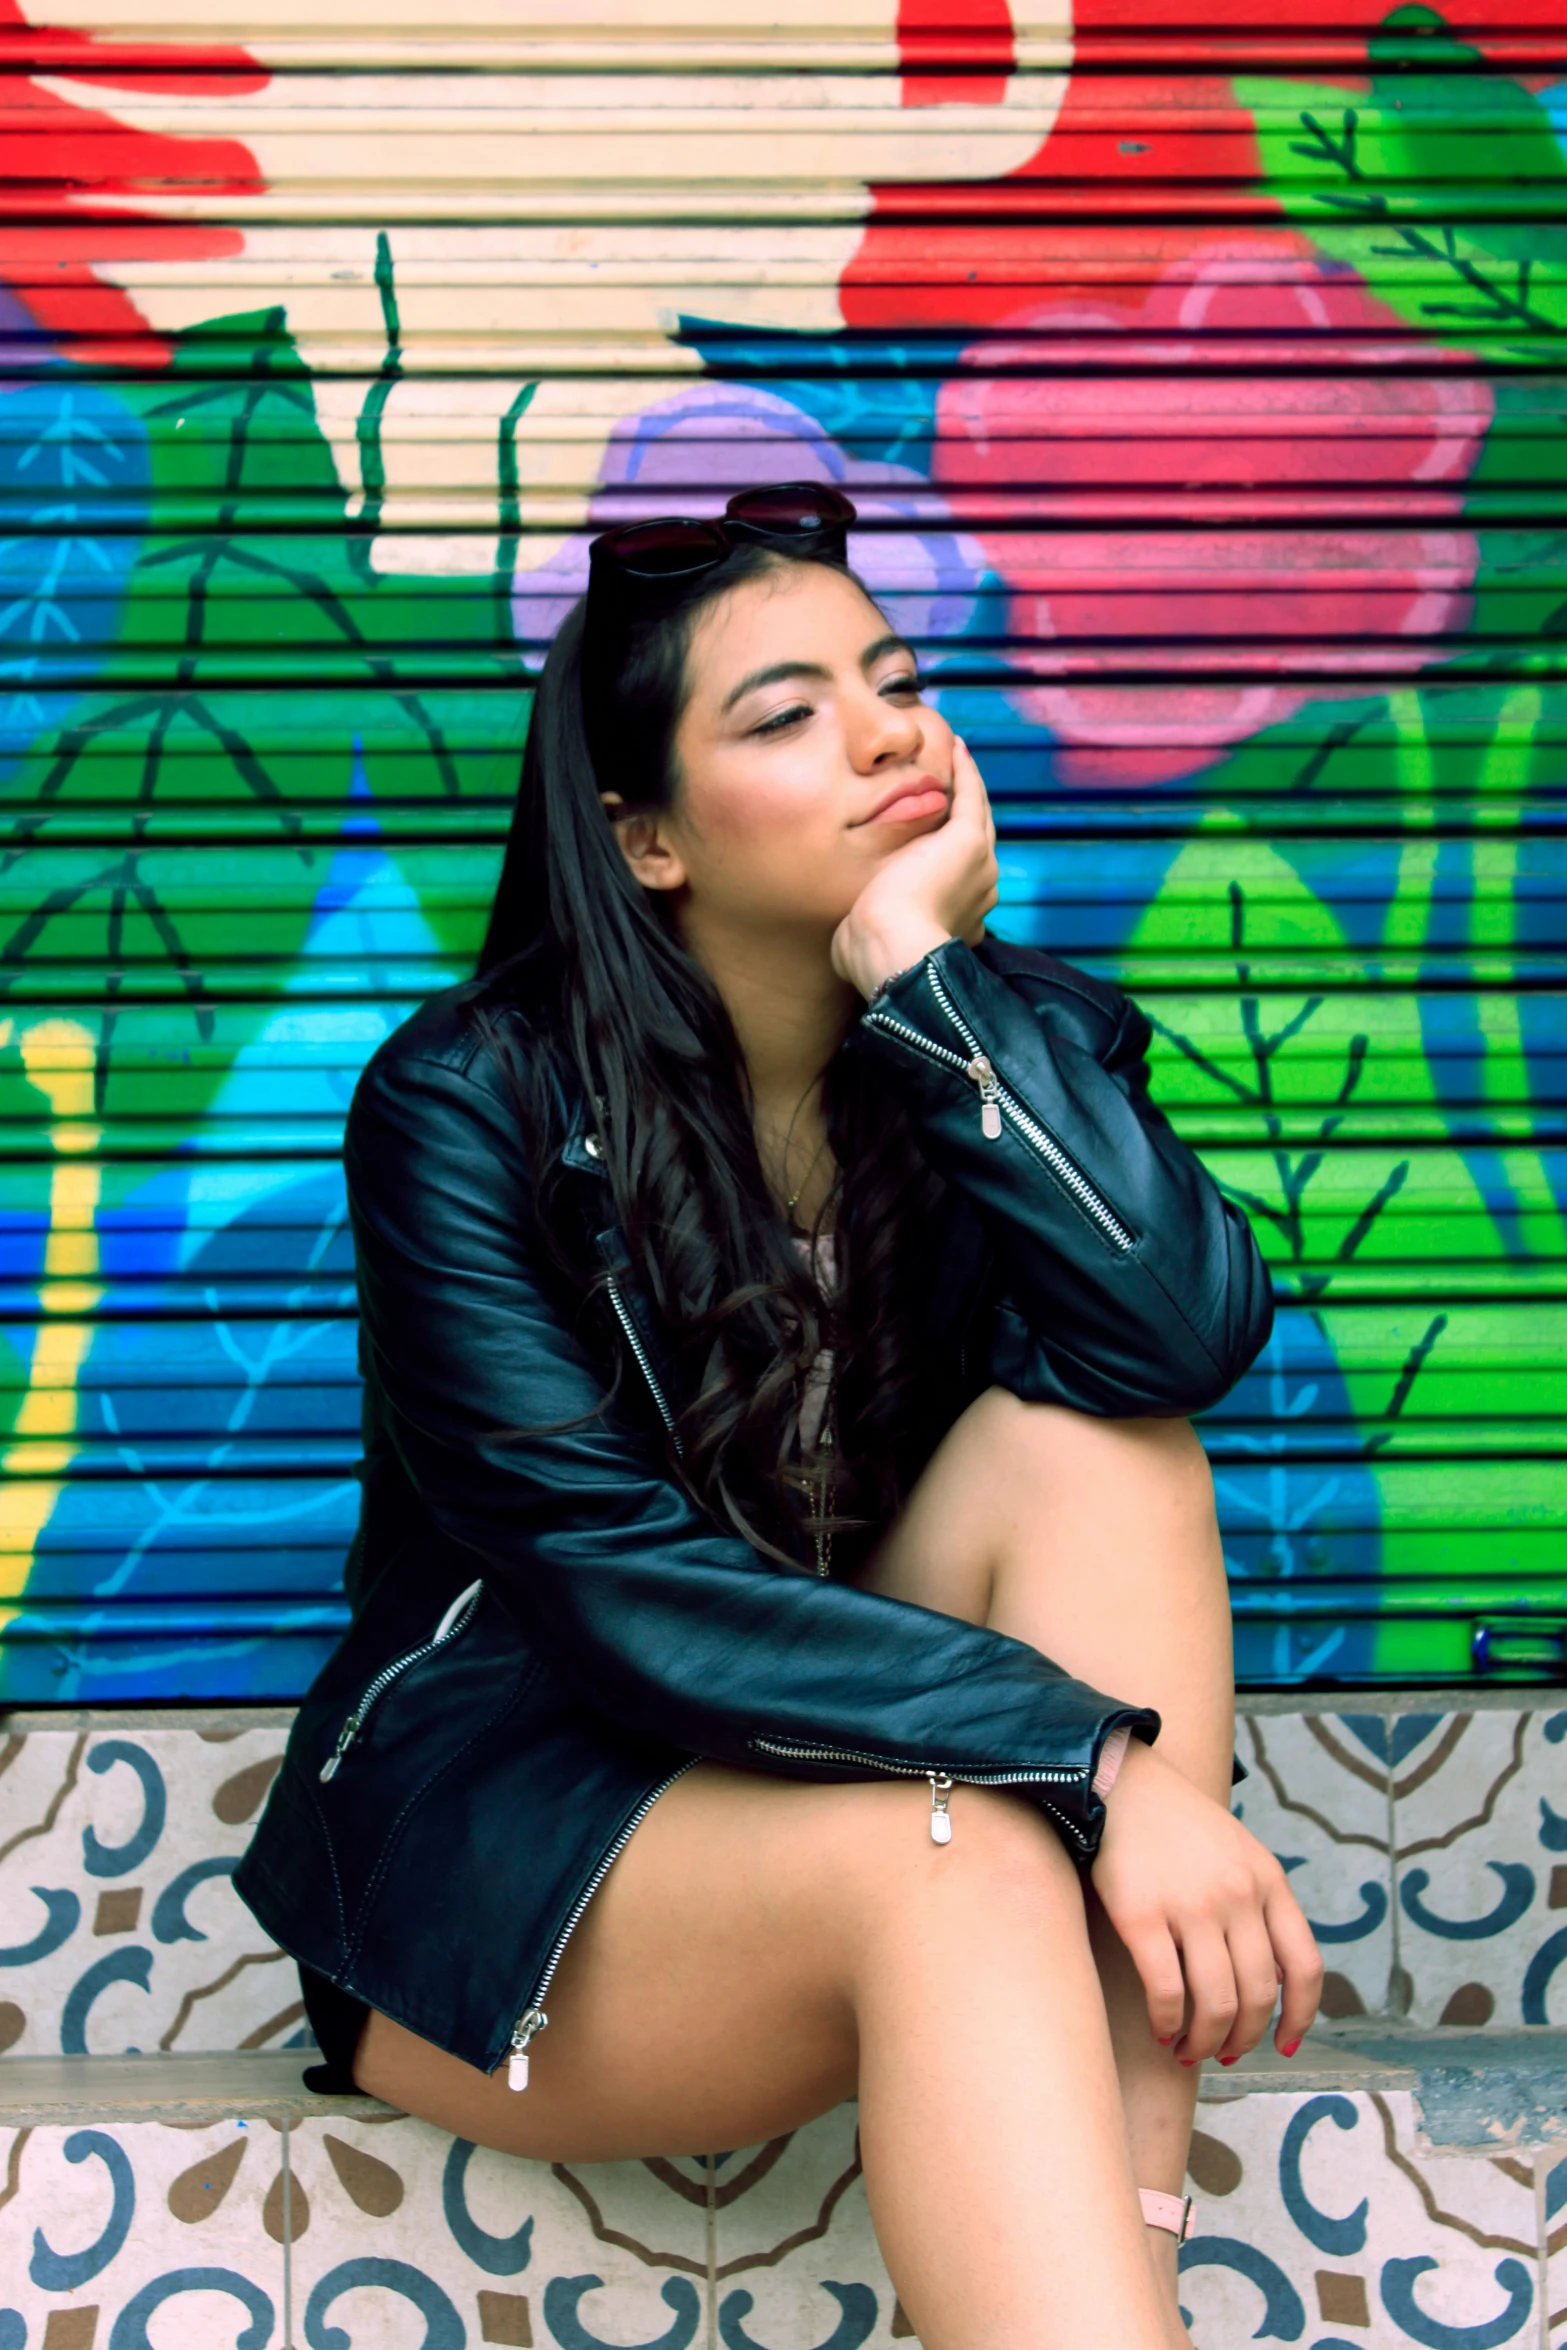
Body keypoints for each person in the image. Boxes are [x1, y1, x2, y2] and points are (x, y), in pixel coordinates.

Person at [236, 482, 1321, 2350]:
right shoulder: (464, 1103)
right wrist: (1094, 1759)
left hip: (867, 1799)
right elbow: (609, 1585)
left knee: (1100, 1446)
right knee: (968, 1841)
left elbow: (1178, 1334)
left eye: (893, 681)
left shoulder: (1002, 1039)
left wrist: (928, 986)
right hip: (535, 1848)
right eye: (787, 710)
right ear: (643, 835)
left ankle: (1116, 2270)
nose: (888, 728)